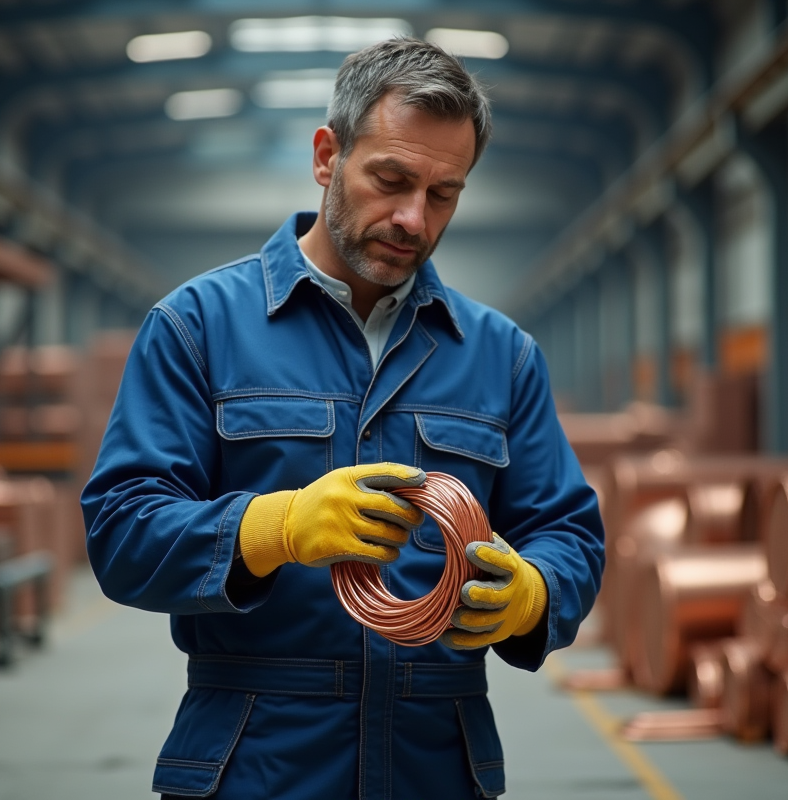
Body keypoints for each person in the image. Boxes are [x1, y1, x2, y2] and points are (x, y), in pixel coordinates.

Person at [82, 37, 604, 800]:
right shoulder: (199, 326)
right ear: (328, 156)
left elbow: (571, 535)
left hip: (437, 764)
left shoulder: (502, 354)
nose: (412, 218)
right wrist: (276, 528)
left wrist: (534, 593)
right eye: (389, 179)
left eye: (443, 194)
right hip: (257, 760)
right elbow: (122, 532)